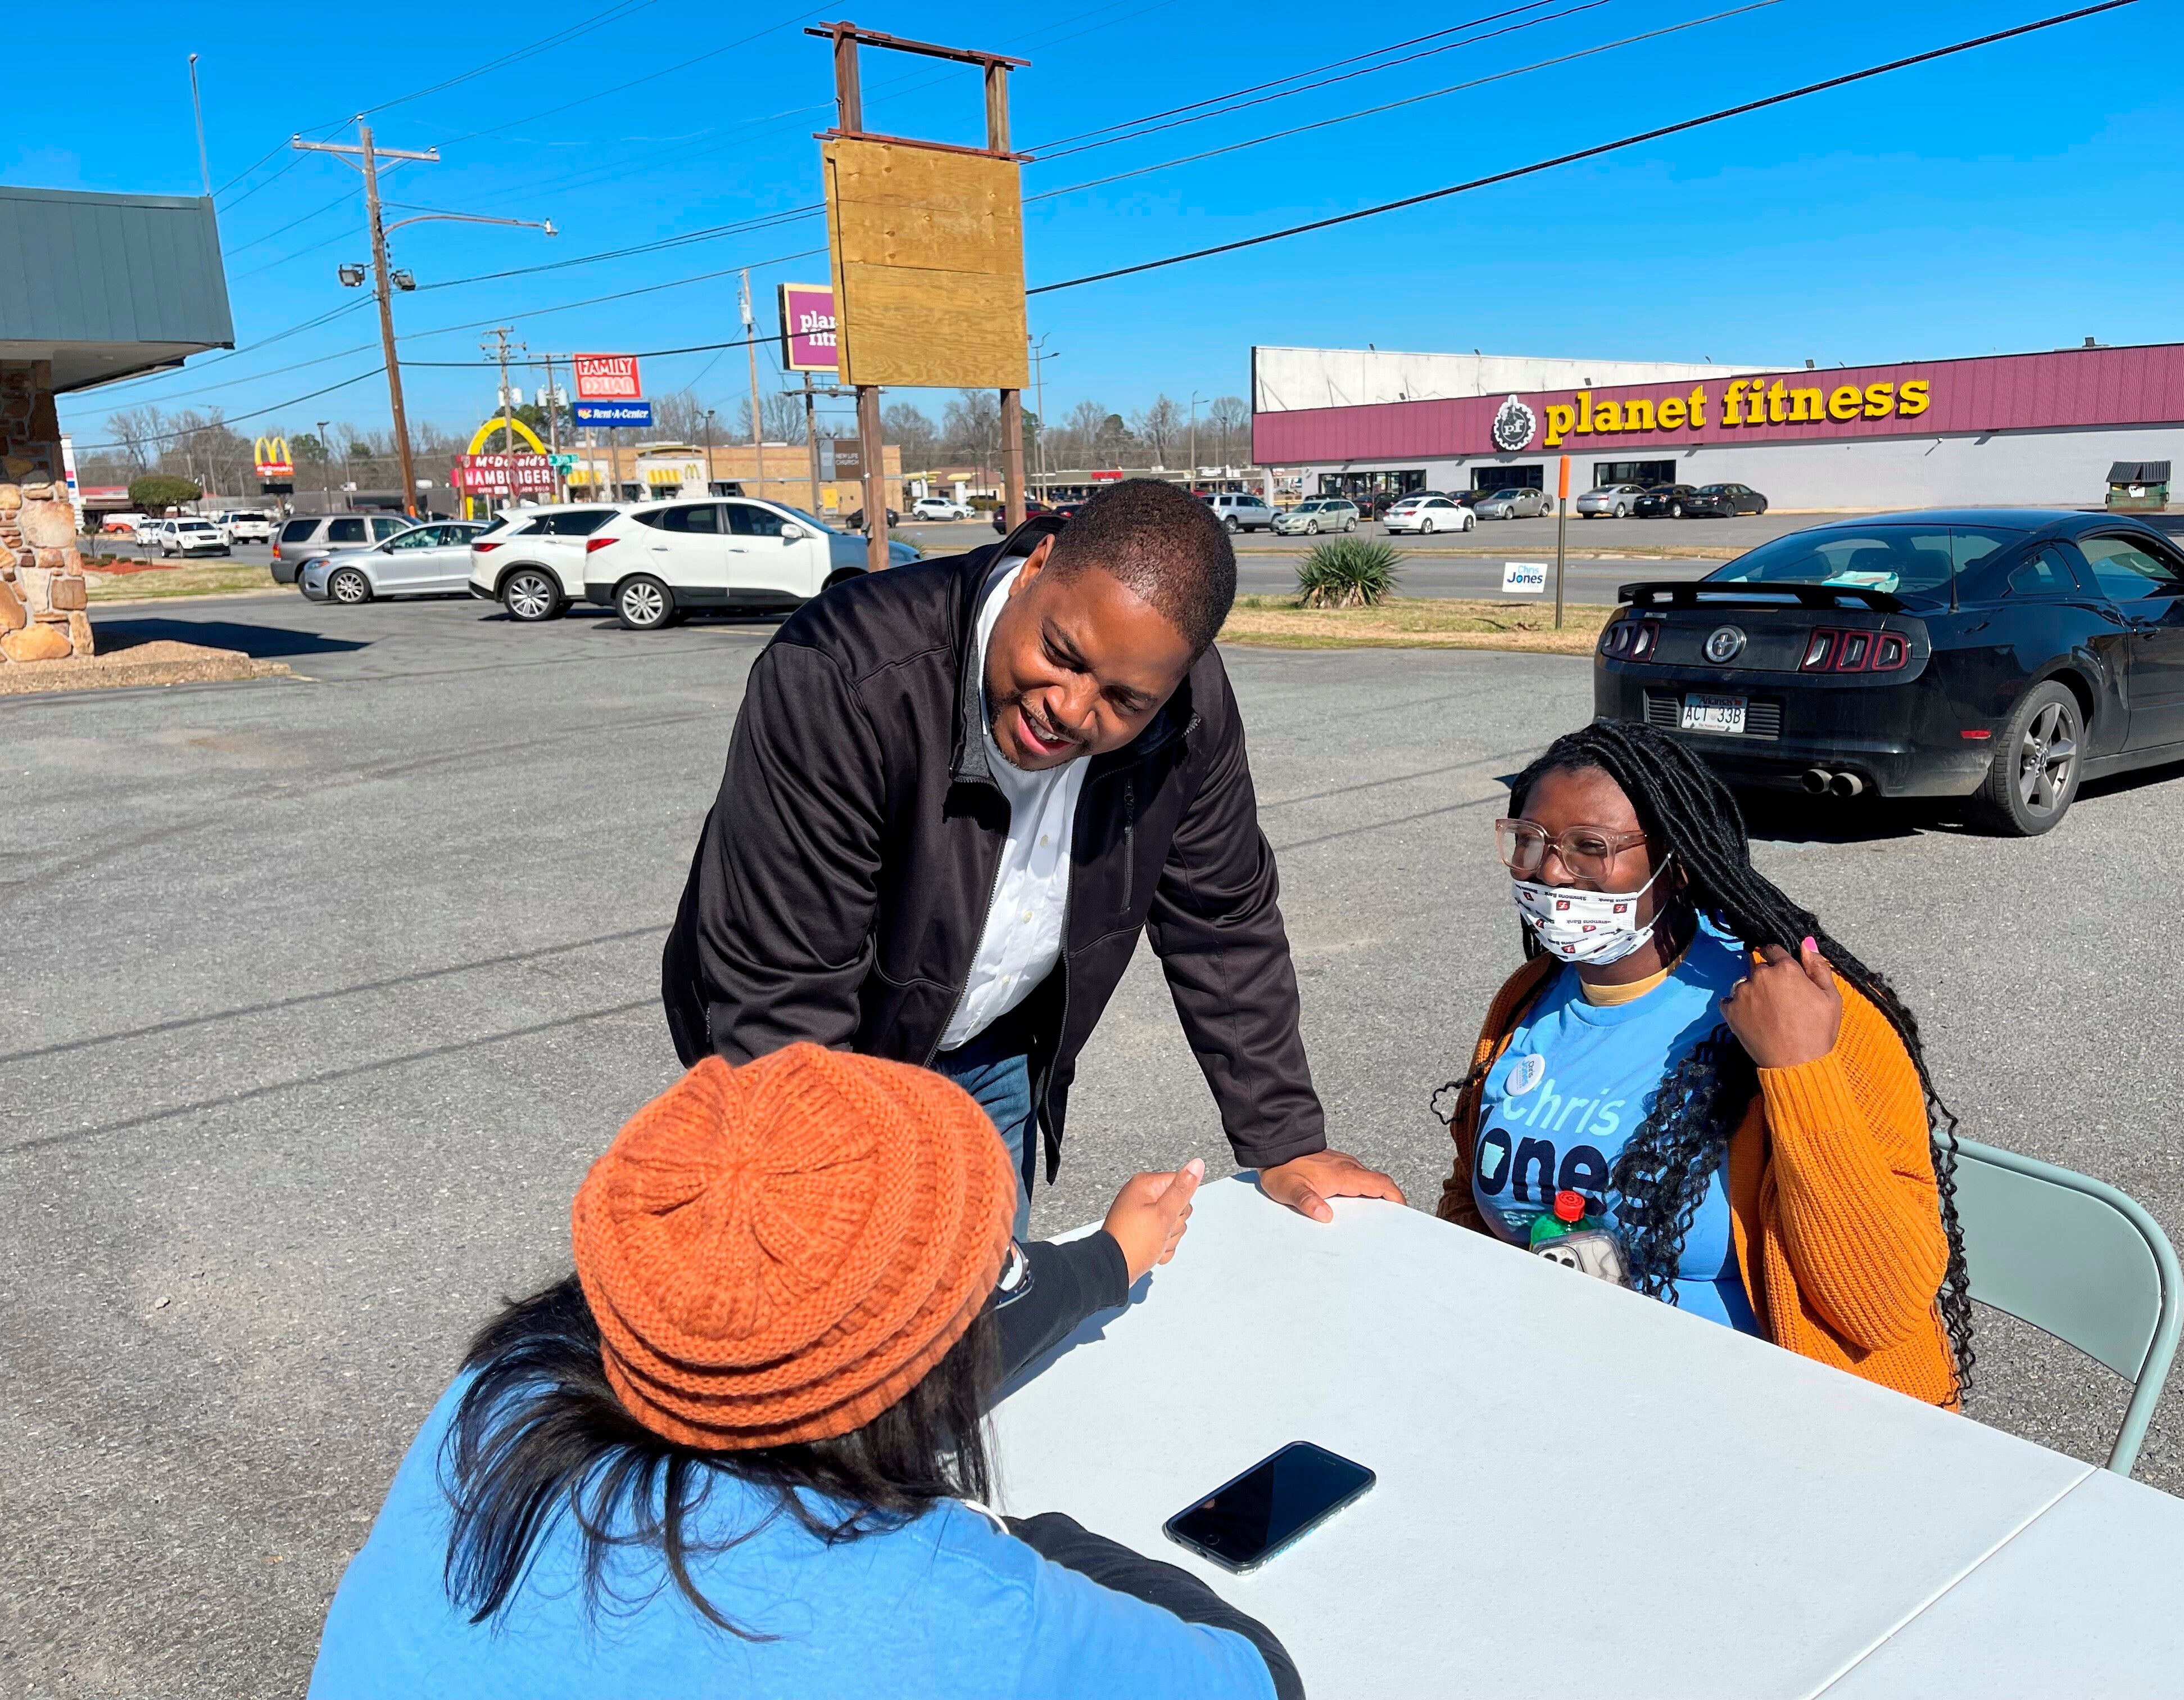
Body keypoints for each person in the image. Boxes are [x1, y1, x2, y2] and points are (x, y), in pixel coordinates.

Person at [311, 1044, 1301, 1699]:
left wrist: (1106, 1260)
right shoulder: (950, 1608)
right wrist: (1018, 1539)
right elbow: (1255, 1675)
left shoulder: (499, 1395)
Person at [663, 478, 1400, 1234]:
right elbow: (785, 988)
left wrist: (1285, 1139)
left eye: (1125, 701)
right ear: (1037, 562)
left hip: (994, 1049)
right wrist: (819, 1187)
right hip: (822, 1055)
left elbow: (1221, 917)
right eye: (1061, 654)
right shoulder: (845, 674)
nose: (1072, 709)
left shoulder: (1186, 710)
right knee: (844, 1303)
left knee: (984, 1315)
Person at [1435, 721, 1972, 1406]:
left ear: (1678, 860)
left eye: (1589, 848)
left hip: (1775, 1423)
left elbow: (1881, 1307)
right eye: (1530, 842)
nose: (1550, 871)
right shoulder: (1529, 998)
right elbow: (1471, 1202)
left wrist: (1798, 1070)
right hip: (1558, 1389)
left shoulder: (1802, 1011)